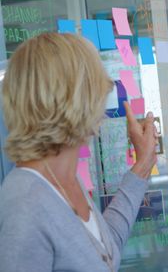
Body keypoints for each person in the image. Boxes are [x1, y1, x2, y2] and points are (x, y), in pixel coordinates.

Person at [0, 32, 158, 272]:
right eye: (97, 91)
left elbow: (104, 254)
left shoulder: (63, 180)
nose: (103, 105)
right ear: (76, 100)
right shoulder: (25, 204)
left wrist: (143, 163)